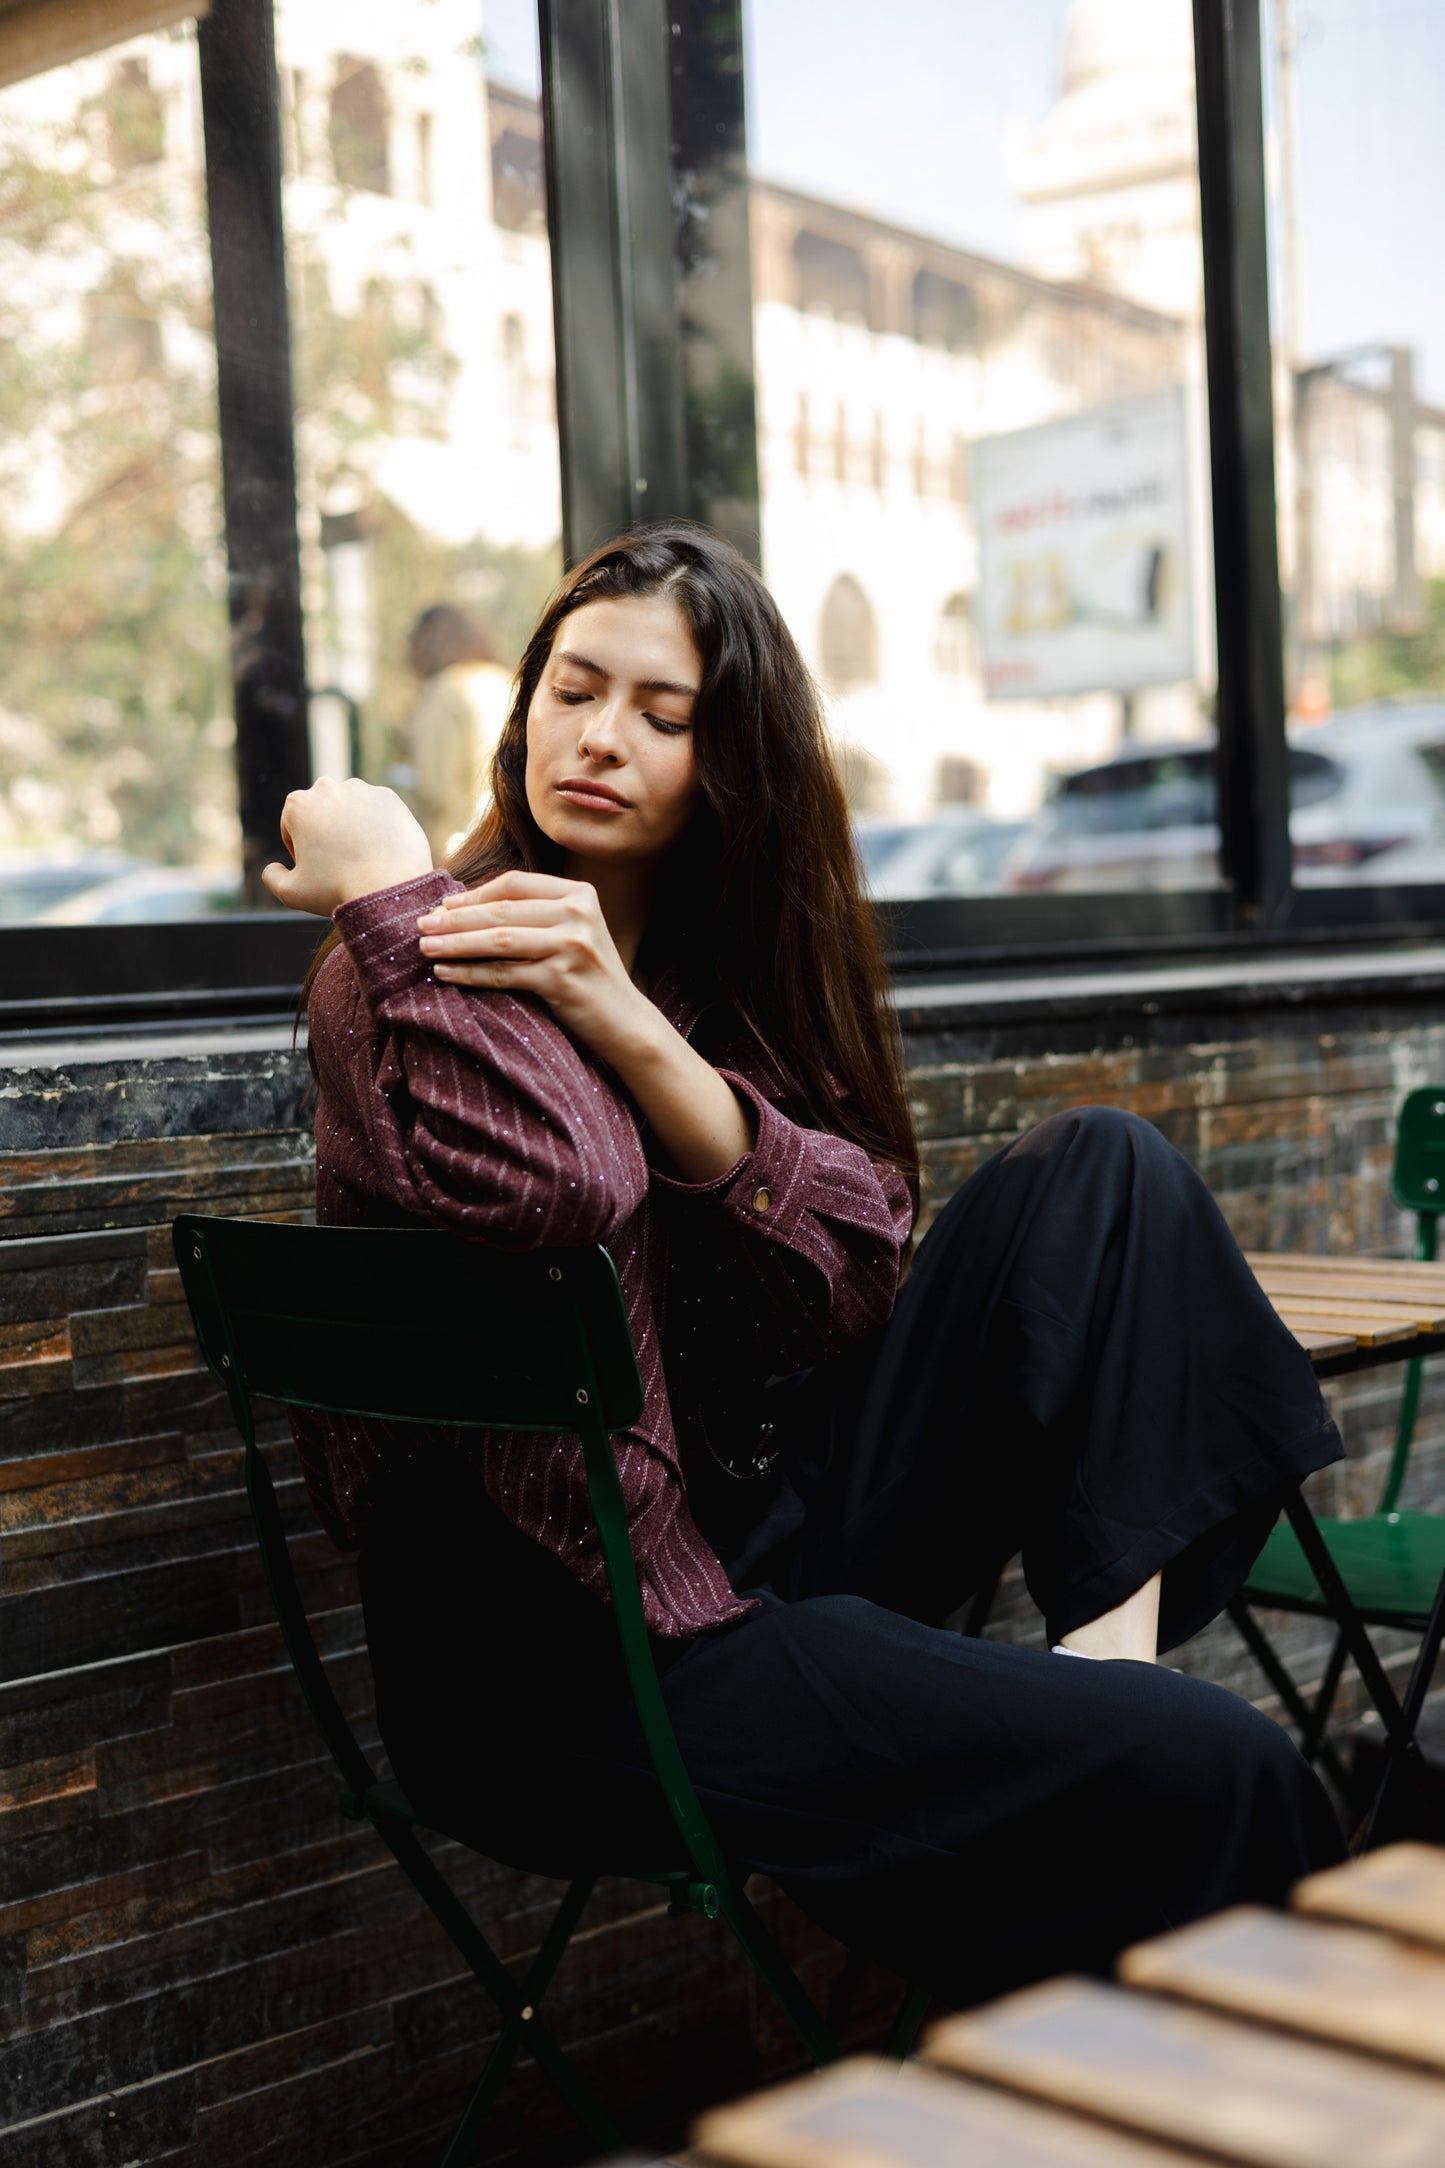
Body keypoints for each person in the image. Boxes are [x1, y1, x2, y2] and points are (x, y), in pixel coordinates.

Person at [263, 522, 1345, 2011]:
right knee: (1227, 1771)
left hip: (738, 1551)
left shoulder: (720, 976)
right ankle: (1156, 1988)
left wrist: (636, 1024)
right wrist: (397, 893)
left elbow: (855, 1275)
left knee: (1104, 1167)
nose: (598, 739)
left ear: (735, 767)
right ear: (521, 707)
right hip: (577, 1665)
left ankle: (1107, 1694)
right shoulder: (392, 974)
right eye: (574, 691)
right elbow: (565, 1183)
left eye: (664, 715)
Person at [397, 603, 513, 863]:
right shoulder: (505, 681)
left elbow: (435, 789)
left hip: (460, 850)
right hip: (509, 841)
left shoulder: (444, 691)